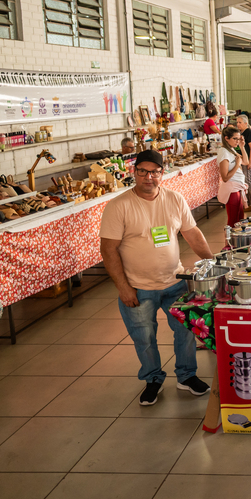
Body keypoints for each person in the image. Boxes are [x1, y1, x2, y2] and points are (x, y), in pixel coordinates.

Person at [100, 149, 214, 406]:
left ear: (162, 174)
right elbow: (108, 250)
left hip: (175, 281)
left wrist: (213, 264)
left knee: (185, 331)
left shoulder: (174, 199)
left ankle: (187, 376)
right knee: (144, 337)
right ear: (134, 172)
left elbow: (192, 233)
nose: (148, 177)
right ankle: (153, 379)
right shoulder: (119, 206)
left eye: (154, 172)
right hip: (138, 288)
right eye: (143, 171)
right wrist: (123, 288)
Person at [217, 127, 248, 226]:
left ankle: (238, 241)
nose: (237, 141)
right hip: (231, 190)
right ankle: (229, 241)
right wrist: (237, 164)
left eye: (239, 139)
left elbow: (246, 162)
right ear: (226, 138)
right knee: (233, 220)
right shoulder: (224, 153)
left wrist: (242, 147)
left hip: (237, 188)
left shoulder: (231, 149)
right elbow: (225, 177)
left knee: (240, 218)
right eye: (235, 139)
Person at [235, 114, 251, 209]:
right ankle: (248, 203)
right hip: (242, 160)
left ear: (246, 123)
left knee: (248, 181)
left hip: (247, 160)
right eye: (237, 122)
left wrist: (250, 161)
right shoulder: (240, 132)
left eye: (240, 122)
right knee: (245, 181)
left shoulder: (248, 132)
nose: (238, 124)